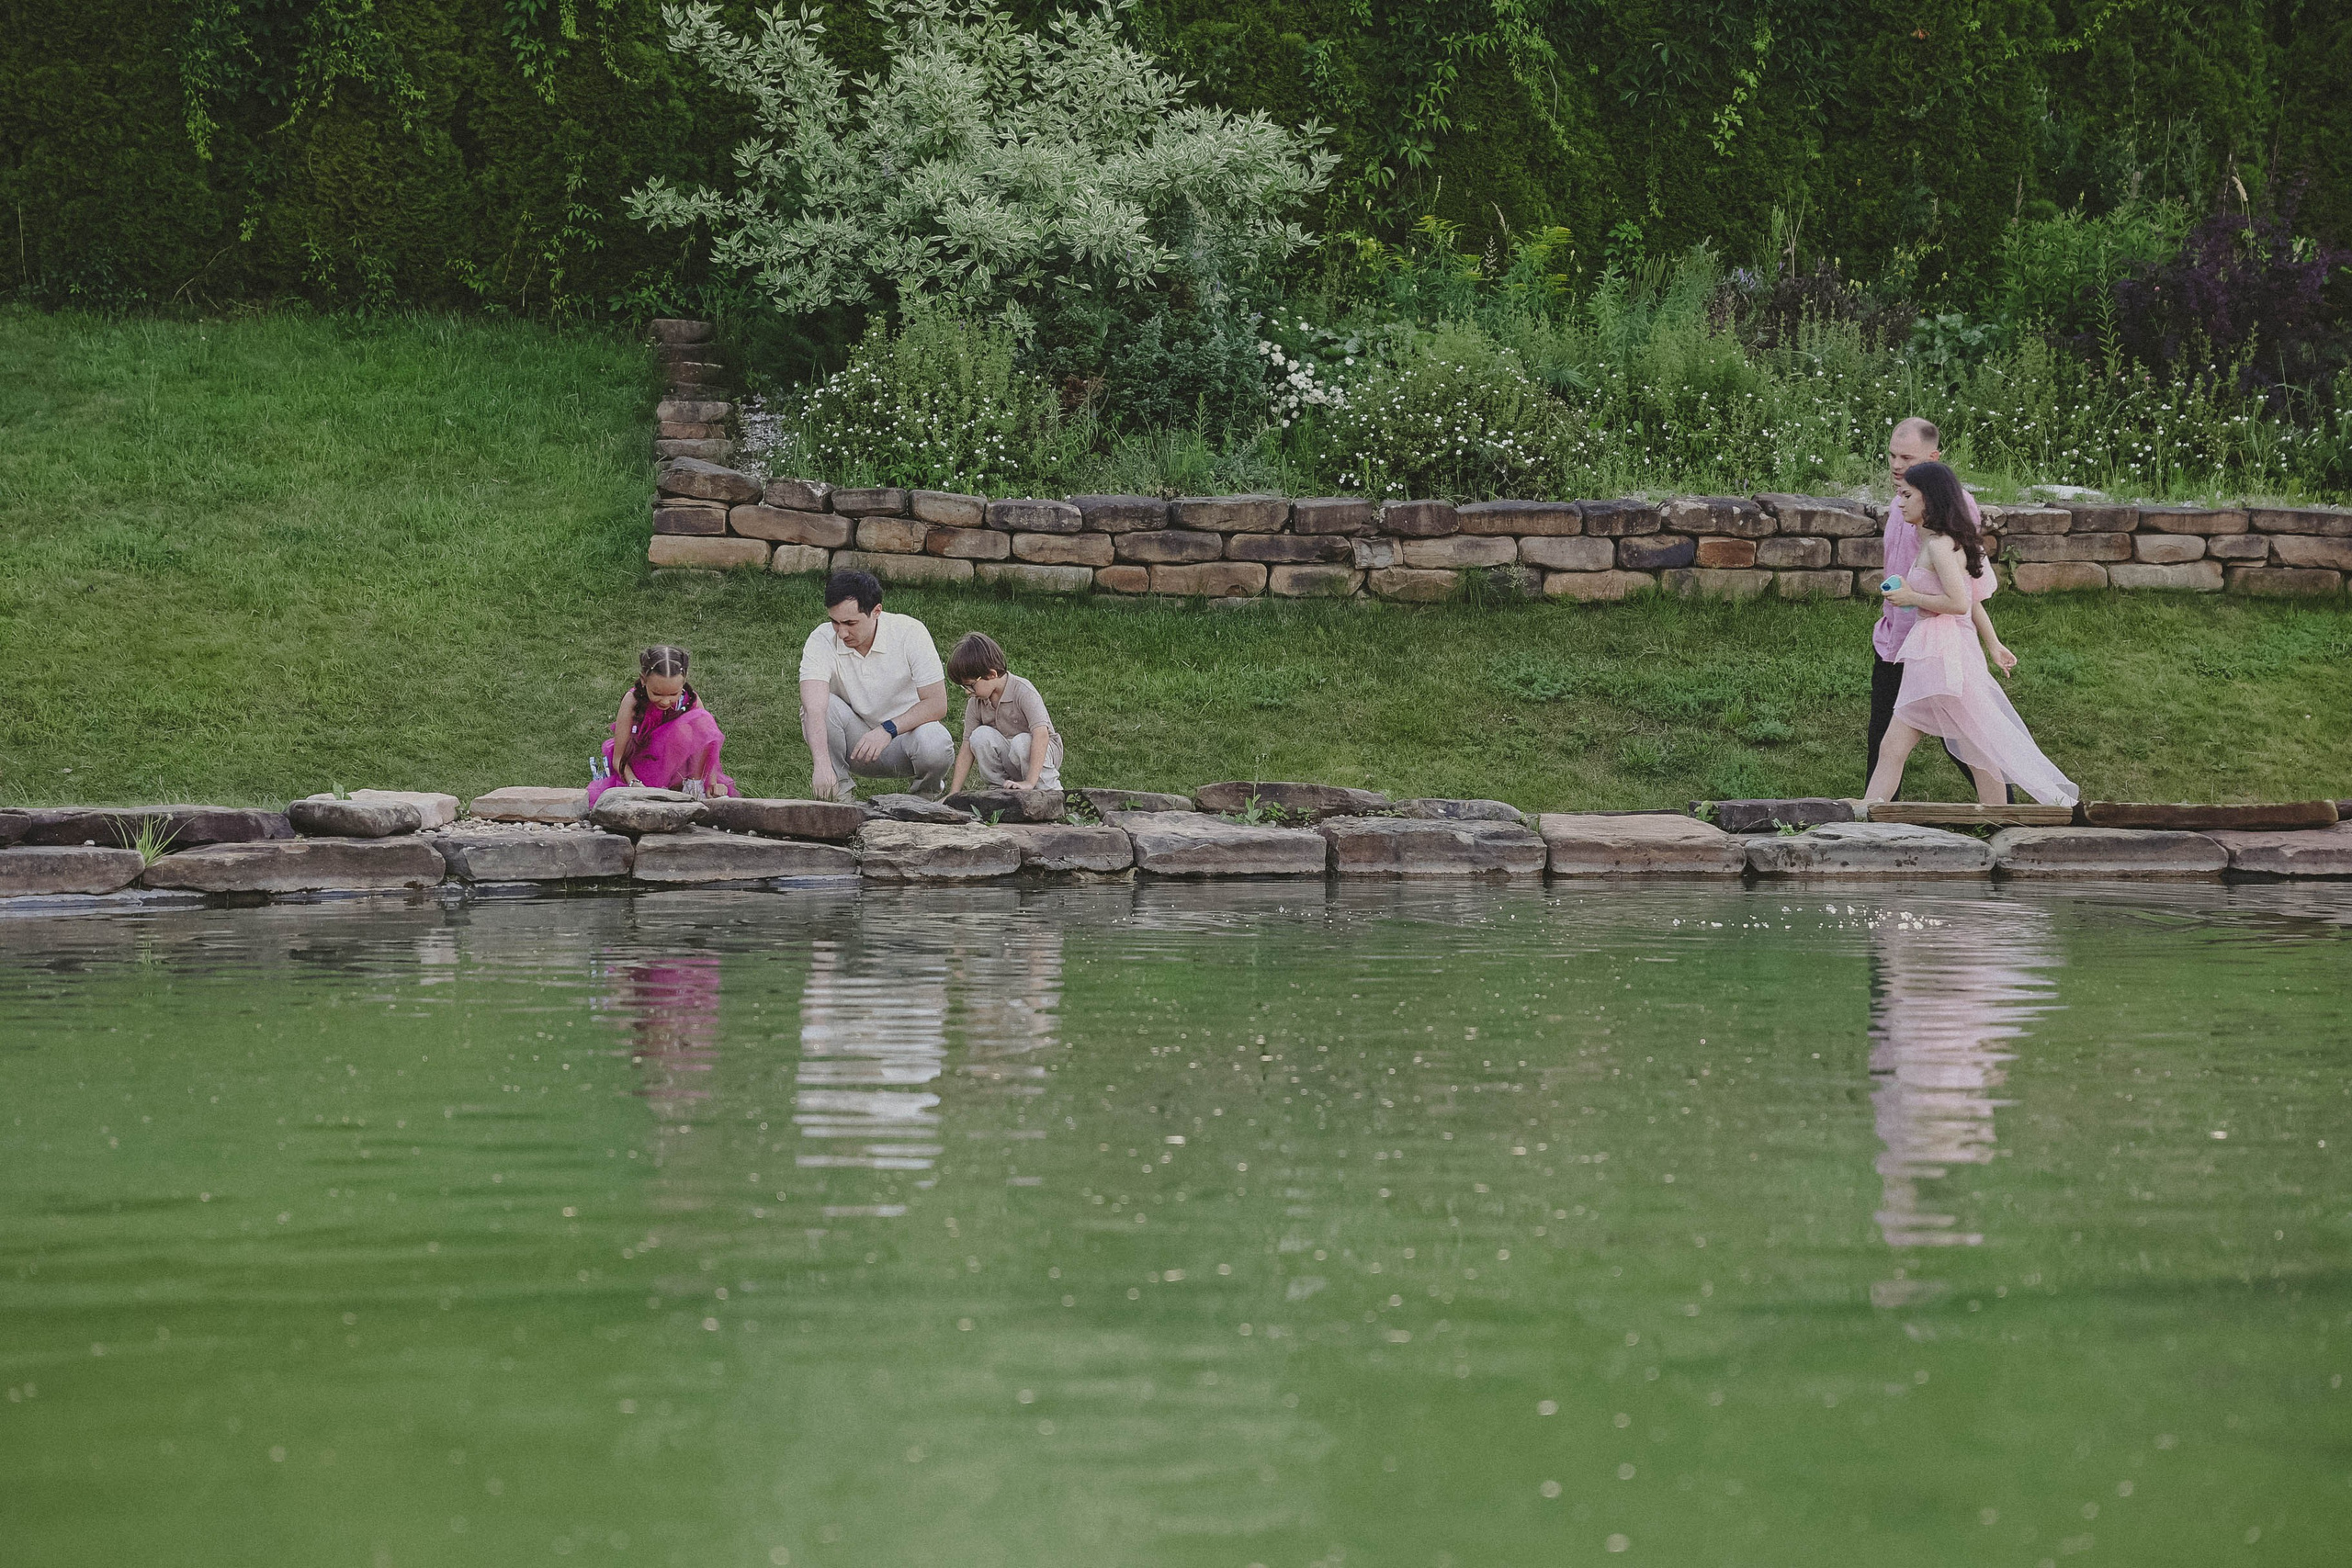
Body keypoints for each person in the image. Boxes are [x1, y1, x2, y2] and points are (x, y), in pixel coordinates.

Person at [1863, 461, 2077, 808]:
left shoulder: (1939, 546)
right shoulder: (1935, 541)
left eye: (1907, 495)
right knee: (1923, 748)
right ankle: (1868, 815)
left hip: (1942, 653)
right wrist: (1993, 644)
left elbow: (1960, 602)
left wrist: (1912, 597)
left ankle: (2008, 818)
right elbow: (1971, 599)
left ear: (1929, 499)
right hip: (1939, 651)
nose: (1899, 503)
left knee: (1971, 751)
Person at [1868, 417, 1983, 795]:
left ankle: (2006, 813)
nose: (1896, 465)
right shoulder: (1900, 502)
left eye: (1907, 458)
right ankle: (1877, 818)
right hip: (1893, 641)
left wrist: (1991, 641)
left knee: (1963, 741)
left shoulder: (1956, 509)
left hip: (1934, 645)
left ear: (1934, 459)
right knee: (1885, 741)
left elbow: (1966, 591)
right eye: (1892, 456)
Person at [798, 569, 956, 801]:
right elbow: (813, 706)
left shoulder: (910, 632)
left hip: (905, 739)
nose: (841, 633)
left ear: (876, 612)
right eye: (835, 622)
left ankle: (924, 801)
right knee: (820, 707)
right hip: (854, 742)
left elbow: (937, 704)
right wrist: (821, 766)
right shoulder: (821, 638)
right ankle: (839, 798)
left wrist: (887, 730)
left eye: (850, 623)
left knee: (936, 741)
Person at [589, 645, 737, 807]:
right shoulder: (632, 700)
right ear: (643, 680)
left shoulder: (690, 700)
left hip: (680, 774)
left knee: (699, 721)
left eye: (673, 694)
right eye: (657, 694)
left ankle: (694, 788)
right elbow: (618, 759)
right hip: (643, 774)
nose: (666, 701)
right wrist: (634, 784)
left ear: (684, 680)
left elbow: (706, 741)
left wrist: (712, 782)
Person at [944, 632, 1063, 794]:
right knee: (979, 736)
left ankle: (1051, 792)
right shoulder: (976, 702)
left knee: (1021, 742)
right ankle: (999, 792)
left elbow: (1041, 735)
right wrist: (953, 793)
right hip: (1011, 755)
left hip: (1041, 755)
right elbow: (966, 747)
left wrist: (1029, 782)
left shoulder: (1023, 691)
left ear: (991, 674)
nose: (967, 692)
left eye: (970, 685)